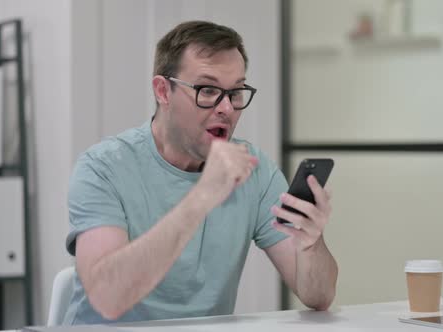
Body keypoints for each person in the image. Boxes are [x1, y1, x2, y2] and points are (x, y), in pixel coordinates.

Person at [63, 20, 338, 325]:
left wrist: (311, 244)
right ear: (163, 91)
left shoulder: (254, 169)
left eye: (235, 92)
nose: (227, 109)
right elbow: (107, 298)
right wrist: (203, 196)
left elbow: (318, 296)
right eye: (208, 90)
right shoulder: (103, 168)